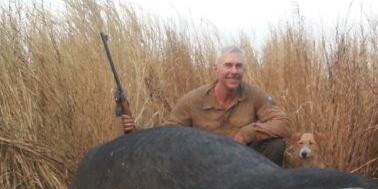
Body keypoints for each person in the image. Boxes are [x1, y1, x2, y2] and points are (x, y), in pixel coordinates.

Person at [122, 45, 292, 165]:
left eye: (238, 66)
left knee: (275, 145)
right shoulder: (192, 99)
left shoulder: (255, 95)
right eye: (228, 65)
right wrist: (139, 132)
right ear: (215, 69)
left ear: (244, 71)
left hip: (244, 161)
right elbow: (168, 132)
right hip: (205, 163)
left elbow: (284, 124)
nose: (233, 71)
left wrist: (246, 133)